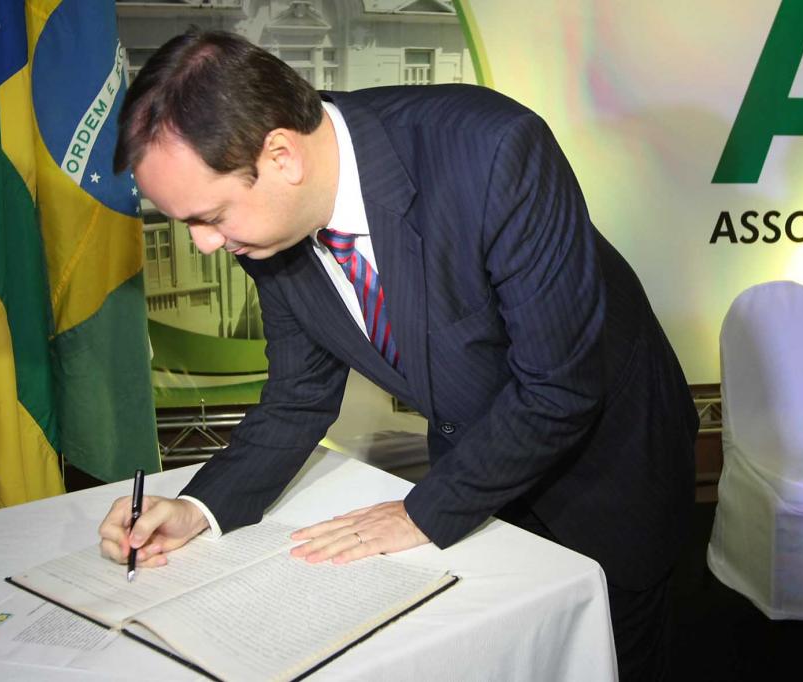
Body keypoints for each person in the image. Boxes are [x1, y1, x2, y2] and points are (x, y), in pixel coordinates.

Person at [98, 29, 698, 680]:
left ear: (281, 156)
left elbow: (558, 387)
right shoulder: (266, 225)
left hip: (606, 463)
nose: (205, 244)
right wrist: (197, 508)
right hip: (476, 467)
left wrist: (423, 512)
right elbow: (298, 396)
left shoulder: (493, 150)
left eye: (209, 216)